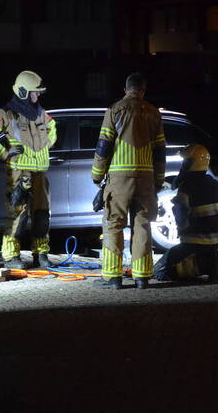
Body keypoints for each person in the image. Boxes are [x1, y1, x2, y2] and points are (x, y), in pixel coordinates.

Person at [91, 72, 165, 289]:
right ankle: (141, 278)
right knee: (142, 225)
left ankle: (113, 278)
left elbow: (103, 146)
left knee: (114, 224)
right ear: (143, 91)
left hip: (119, 179)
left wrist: (97, 175)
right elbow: (160, 150)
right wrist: (158, 179)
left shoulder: (114, 110)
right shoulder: (154, 113)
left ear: (126, 90)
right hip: (146, 178)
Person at [0, 71, 57, 270]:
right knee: (18, 214)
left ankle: (41, 254)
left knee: (42, 214)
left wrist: (45, 145)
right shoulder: (6, 113)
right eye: (34, 93)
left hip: (40, 172)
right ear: (23, 92)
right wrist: (5, 152)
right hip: (19, 173)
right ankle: (11, 256)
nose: (37, 96)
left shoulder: (41, 112)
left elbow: (53, 128)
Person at [152, 144, 218, 282]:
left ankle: (205, 265)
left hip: (191, 244)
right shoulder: (216, 185)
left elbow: (181, 219)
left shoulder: (186, 188)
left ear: (189, 163)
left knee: (159, 272)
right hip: (214, 243)